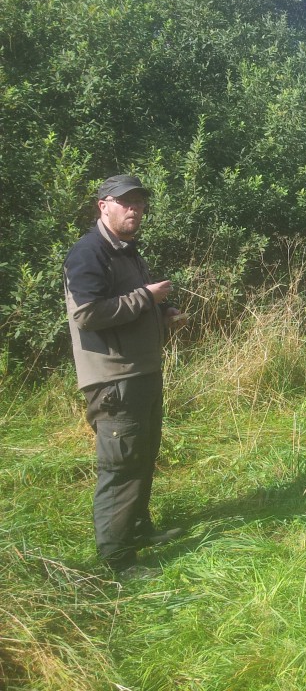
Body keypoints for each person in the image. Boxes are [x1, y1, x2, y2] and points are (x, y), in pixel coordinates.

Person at [64, 174, 185, 577]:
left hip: (143, 370)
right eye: (125, 202)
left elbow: (124, 306)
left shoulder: (126, 251)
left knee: (143, 454)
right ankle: (117, 560)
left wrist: (162, 313)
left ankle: (137, 528)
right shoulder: (89, 252)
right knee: (120, 466)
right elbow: (87, 314)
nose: (135, 209)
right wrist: (146, 298)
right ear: (104, 205)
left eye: (139, 202)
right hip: (113, 379)